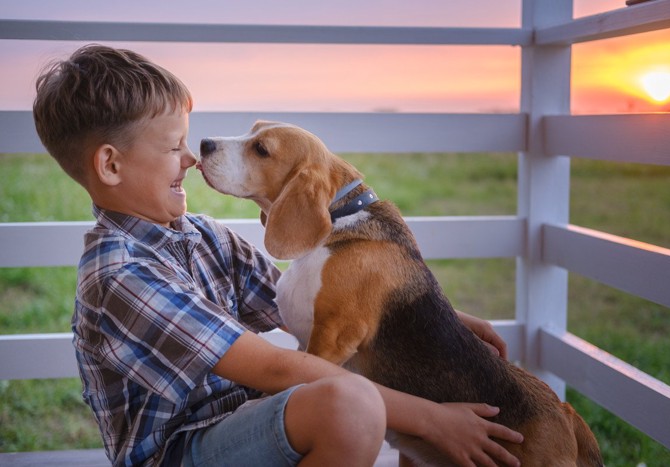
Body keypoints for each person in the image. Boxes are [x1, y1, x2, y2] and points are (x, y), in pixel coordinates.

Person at [33, 44, 523, 467]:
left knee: (355, 398)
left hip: (246, 424)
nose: (190, 158)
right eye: (172, 146)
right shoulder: (120, 274)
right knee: (350, 406)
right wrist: (432, 420)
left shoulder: (202, 235)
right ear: (110, 164)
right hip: (180, 452)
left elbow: (304, 306)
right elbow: (275, 369)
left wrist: (438, 317)